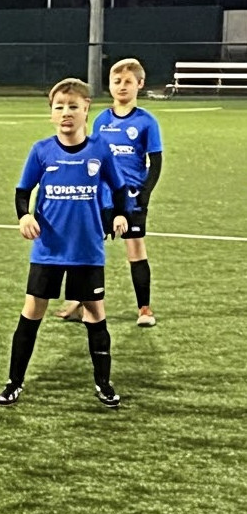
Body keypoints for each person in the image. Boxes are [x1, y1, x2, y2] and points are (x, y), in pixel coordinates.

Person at [0, 78, 129, 409]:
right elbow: (22, 191)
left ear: (86, 109)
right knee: (32, 310)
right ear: (51, 114)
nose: (66, 112)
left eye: (73, 106)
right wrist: (24, 216)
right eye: (59, 107)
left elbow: (119, 189)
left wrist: (120, 215)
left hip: (87, 250)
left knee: (95, 312)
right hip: (48, 250)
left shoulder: (100, 150)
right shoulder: (41, 151)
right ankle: (14, 382)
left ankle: (104, 383)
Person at [54, 58, 163, 327]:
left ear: (139, 84)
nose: (121, 86)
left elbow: (156, 162)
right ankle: (80, 303)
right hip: (100, 196)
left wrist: (145, 193)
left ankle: (145, 309)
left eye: (128, 82)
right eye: (117, 81)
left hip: (131, 196)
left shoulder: (146, 122)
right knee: (88, 249)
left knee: (135, 250)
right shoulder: (102, 120)